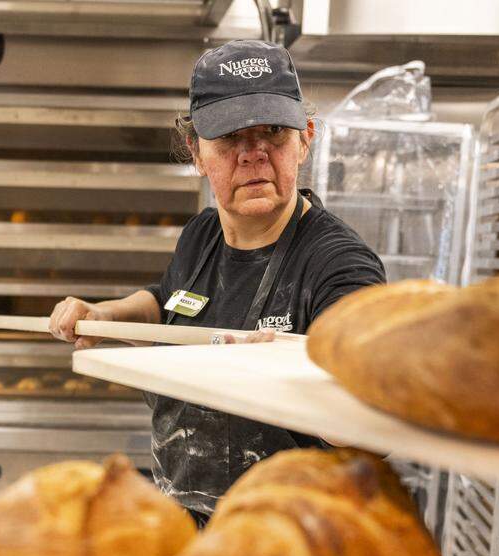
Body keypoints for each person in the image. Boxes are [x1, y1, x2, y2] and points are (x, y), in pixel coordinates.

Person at [50, 39, 385, 525]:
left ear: (306, 138)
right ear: (197, 152)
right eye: (229, 137)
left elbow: (373, 423)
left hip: (288, 541)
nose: (253, 154)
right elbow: (169, 302)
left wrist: (292, 381)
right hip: (182, 523)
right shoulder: (202, 234)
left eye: (272, 132)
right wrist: (103, 316)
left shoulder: (339, 265)